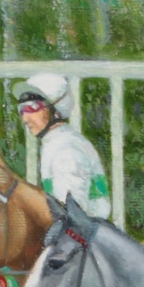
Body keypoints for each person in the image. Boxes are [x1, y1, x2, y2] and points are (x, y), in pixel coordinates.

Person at [14, 72, 111, 218]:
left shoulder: (66, 151)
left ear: (56, 109)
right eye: (22, 109)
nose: (25, 118)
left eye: (33, 107)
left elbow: (72, 215)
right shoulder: (56, 142)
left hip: (85, 229)